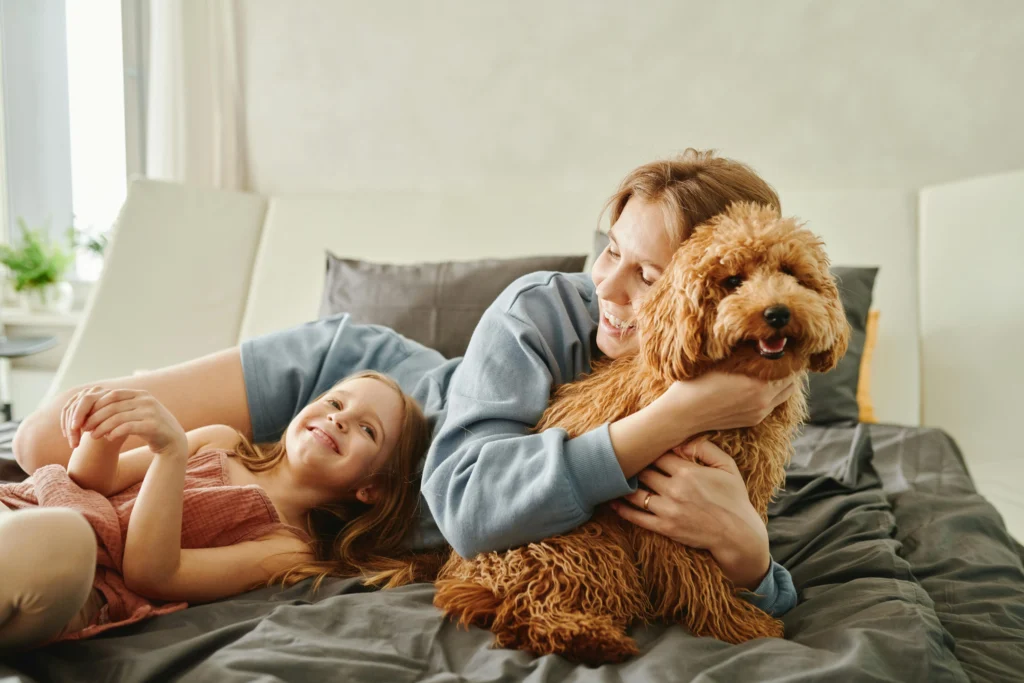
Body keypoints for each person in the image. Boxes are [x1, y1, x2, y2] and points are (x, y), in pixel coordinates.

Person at [13, 149, 798, 624]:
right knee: (40, 441)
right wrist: (672, 416)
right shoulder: (542, 310)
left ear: (711, 292)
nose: (608, 288)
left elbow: (741, 590)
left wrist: (752, 557)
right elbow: (467, 503)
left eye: (649, 275)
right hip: (354, 378)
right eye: (609, 252)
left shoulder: (742, 382)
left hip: (372, 458)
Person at [0, 371, 429, 649]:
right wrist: (106, 425)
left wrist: (171, 454)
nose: (340, 419)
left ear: (370, 488)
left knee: (64, 538)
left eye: (367, 429)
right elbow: (92, 483)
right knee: (48, 526)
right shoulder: (220, 441)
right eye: (336, 403)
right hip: (22, 506)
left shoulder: (288, 547)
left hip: (73, 573)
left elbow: (152, 574)